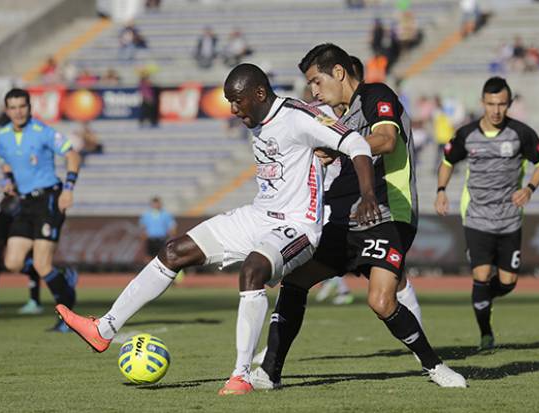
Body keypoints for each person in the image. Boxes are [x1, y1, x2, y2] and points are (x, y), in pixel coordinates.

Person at [55, 63, 379, 395]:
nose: (233, 110)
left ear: (260, 93)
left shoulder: (299, 117)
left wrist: (367, 196)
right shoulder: (259, 118)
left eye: (238, 101)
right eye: (229, 101)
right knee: (172, 251)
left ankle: (240, 376)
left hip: (297, 227)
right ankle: (104, 329)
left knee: (253, 270)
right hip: (257, 216)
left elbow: (357, 144)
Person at [251, 43, 466, 390]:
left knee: (381, 301)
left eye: (317, 82)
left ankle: (433, 366)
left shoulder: (375, 94)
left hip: (386, 214)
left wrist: (340, 146)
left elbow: (386, 139)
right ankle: (269, 373)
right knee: (295, 280)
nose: (314, 91)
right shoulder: (336, 115)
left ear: (338, 73)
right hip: (341, 219)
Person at [435, 77, 539, 352]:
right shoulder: (467, 134)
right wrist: (441, 190)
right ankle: (486, 334)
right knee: (482, 274)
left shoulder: (521, 133)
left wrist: (530, 188)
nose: (496, 110)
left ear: (509, 104)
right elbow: (448, 161)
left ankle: (482, 297)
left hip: (510, 219)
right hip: (477, 217)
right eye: (491, 104)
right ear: (482, 103)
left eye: (501, 104)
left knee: (508, 283)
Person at [0, 88, 80, 332]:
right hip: (24, 203)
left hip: (49, 199)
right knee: (12, 262)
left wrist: (69, 188)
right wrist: (7, 182)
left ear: (29, 107)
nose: (18, 111)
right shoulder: (2, 136)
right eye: (13, 107)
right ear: (7, 110)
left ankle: (67, 317)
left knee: (42, 265)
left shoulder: (42, 131)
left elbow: (72, 155)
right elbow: (5, 162)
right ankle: (63, 277)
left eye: (22, 106)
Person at [139, 197, 177, 262]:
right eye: (154, 204)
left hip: (161, 239)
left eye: (157, 204)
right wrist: (143, 236)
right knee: (149, 256)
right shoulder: (146, 215)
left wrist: (171, 235)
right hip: (150, 238)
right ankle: (149, 270)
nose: (156, 205)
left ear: (160, 204)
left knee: (163, 256)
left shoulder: (166, 214)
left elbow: (172, 225)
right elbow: (142, 226)